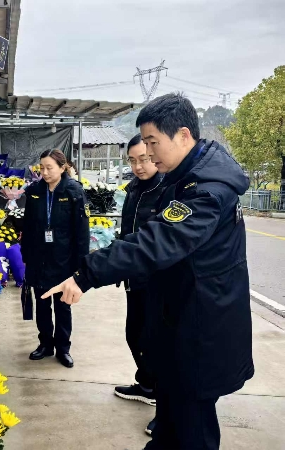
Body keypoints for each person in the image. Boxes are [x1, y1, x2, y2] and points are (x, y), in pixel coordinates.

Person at [43, 93, 253, 449]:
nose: (149, 153)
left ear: (183, 135)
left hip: (201, 333)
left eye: (153, 142)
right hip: (180, 325)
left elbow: (155, 243)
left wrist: (85, 274)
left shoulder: (206, 191)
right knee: (170, 424)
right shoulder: (183, 179)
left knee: (193, 431)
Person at [114, 133, 164, 436]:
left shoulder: (165, 189)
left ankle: (165, 406)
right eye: (132, 161)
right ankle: (146, 384)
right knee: (134, 334)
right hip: (134, 277)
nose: (138, 166)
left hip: (156, 281)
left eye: (143, 159)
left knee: (157, 342)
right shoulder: (133, 189)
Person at [21, 149, 90, 368]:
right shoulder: (34, 191)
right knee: (42, 304)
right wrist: (25, 255)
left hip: (64, 260)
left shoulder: (74, 191)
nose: (45, 172)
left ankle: (63, 348)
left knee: (62, 306)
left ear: (62, 167)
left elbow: (82, 232)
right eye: (41, 168)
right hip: (39, 259)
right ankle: (45, 344)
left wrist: (81, 264)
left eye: (49, 168)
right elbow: (28, 227)